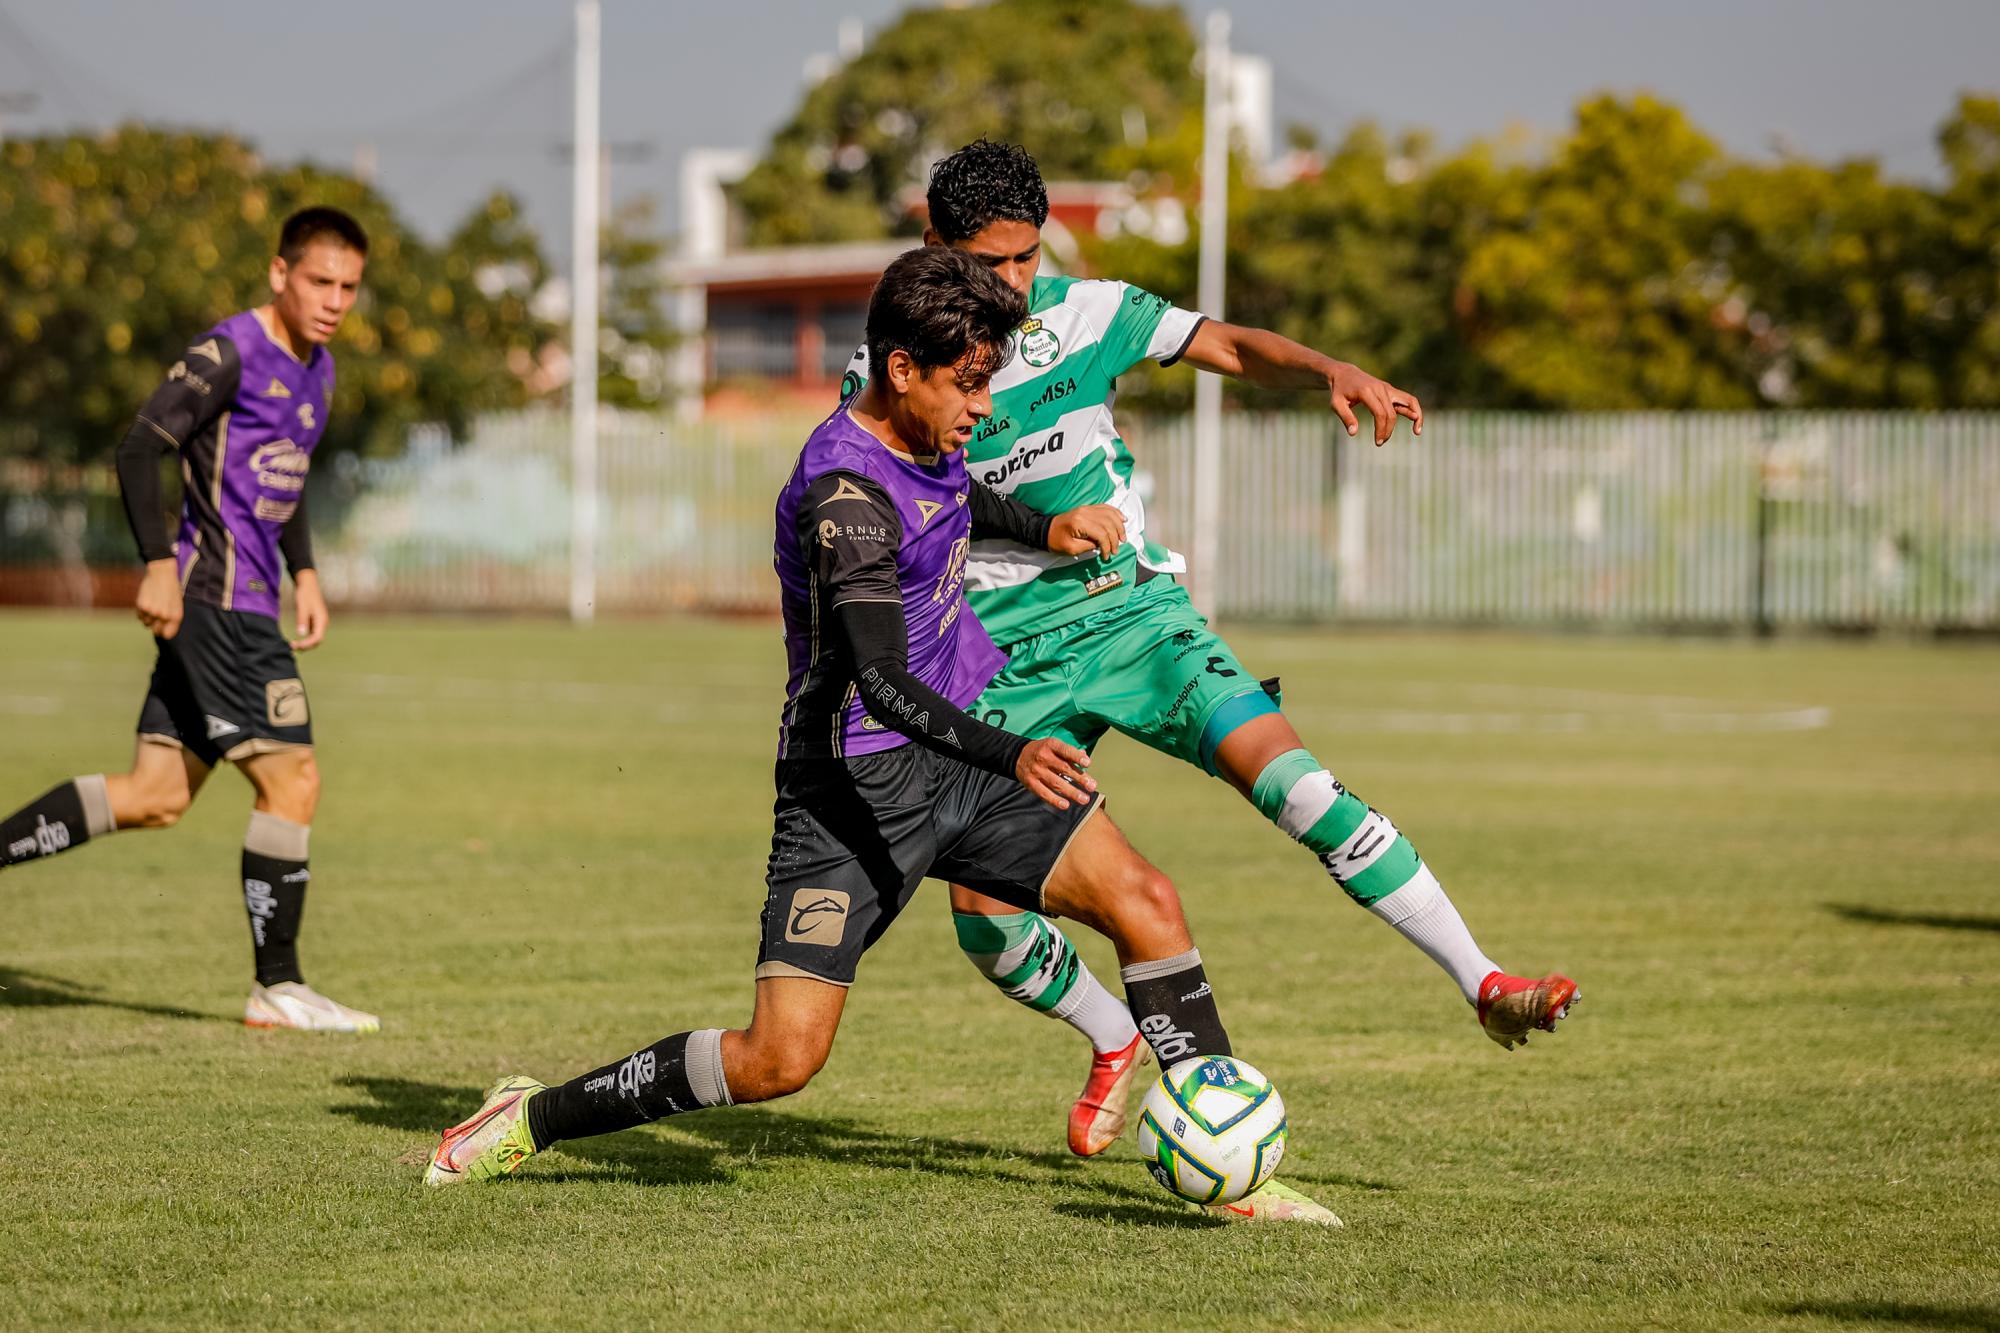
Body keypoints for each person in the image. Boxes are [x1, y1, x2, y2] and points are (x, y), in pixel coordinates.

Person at [424, 245, 1337, 1224]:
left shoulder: (923, 437)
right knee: (779, 1060)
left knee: (1146, 902)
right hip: (851, 791)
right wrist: (1014, 750)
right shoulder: (843, 499)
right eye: (969, 383)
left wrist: (1042, 527)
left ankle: (1229, 1165)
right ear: (901, 367)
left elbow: (952, 500)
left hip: (964, 755)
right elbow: (882, 682)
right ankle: (533, 1114)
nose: (983, 408)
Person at [839, 140, 1578, 1157]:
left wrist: (1328, 368)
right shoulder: (891, 364)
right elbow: (886, 493)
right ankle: (1109, 1037)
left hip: (1133, 615)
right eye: (985, 260)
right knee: (984, 917)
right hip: (997, 655)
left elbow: (1226, 345)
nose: (1010, 282)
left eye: (1024, 259)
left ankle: (1483, 979)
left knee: (1295, 783)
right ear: (932, 245)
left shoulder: (1086, 315)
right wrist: (1033, 527)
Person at [0, 206, 378, 1033]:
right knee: (294, 779)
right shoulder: (229, 353)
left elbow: (287, 479)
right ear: (280, 273)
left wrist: (305, 572)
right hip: (217, 606)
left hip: (248, 603)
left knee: (154, 795)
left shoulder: (320, 369)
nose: (334, 300)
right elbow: (140, 446)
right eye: (320, 281)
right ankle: (277, 986)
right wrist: (159, 567)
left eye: (349, 287)